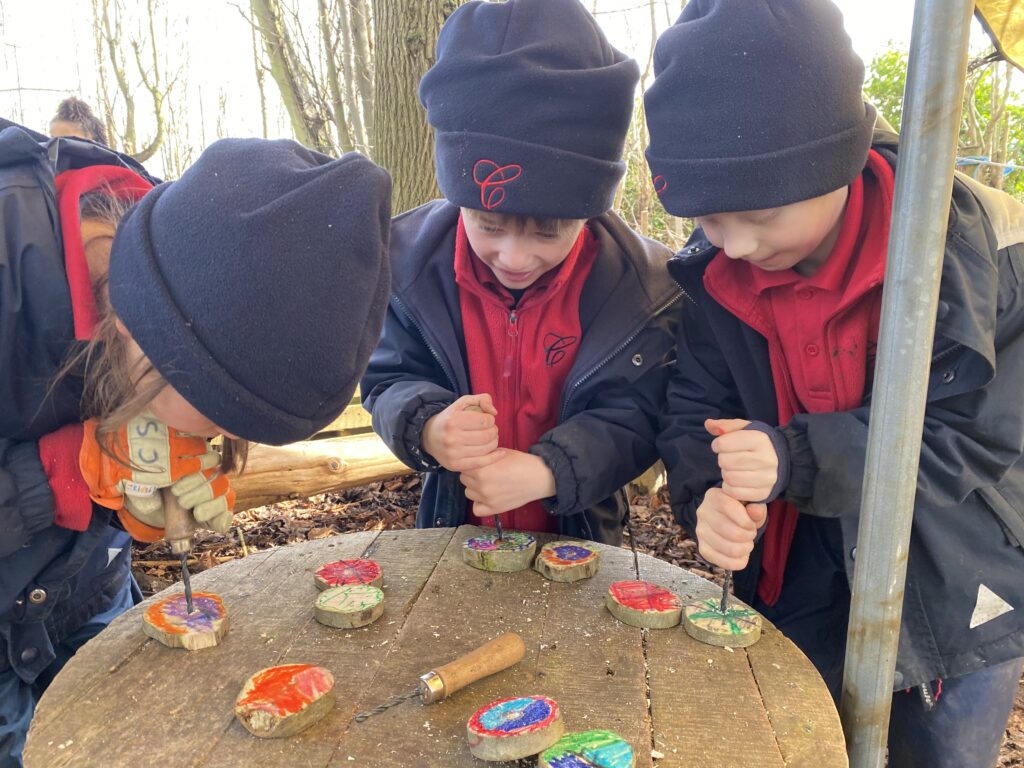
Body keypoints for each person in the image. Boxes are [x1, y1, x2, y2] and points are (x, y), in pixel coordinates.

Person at [645, 2, 1024, 766]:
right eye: (711, 220)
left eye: (760, 214)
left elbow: (978, 431)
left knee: (938, 756)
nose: (739, 245)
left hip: (951, 580)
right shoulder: (718, 272)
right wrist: (705, 498)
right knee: (800, 742)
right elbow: (695, 413)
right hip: (799, 572)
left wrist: (795, 457)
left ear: (839, 162)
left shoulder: (984, 252)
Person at [0, 127, 391, 767]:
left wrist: (123, 501)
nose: (219, 440)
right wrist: (60, 477)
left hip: (85, 592)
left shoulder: (189, 255)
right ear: (149, 336)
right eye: (220, 418)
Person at [360, 0, 680, 545]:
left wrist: (548, 471)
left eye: (548, 232)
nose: (514, 257)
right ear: (459, 196)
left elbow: (639, 413)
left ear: (590, 208)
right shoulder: (408, 266)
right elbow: (387, 378)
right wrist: (428, 426)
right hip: (452, 533)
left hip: (582, 536)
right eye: (489, 225)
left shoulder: (639, 287)